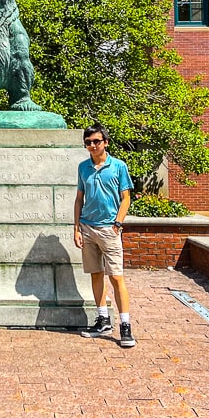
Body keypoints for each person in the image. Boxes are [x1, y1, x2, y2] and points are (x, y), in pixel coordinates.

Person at [73, 122, 136, 348]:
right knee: (96, 274)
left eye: (96, 141)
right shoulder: (83, 167)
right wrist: (76, 228)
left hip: (109, 228)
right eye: (88, 142)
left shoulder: (118, 166)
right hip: (88, 228)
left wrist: (118, 224)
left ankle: (125, 325)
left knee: (116, 276)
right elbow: (79, 199)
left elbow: (126, 198)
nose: (92, 145)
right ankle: (103, 320)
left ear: (105, 142)